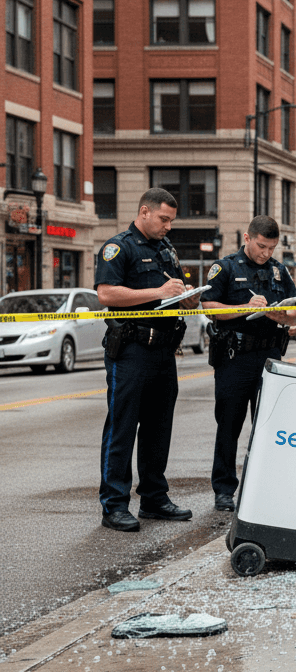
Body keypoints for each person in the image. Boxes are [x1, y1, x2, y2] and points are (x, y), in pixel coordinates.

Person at [94, 188, 198, 531]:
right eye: (164, 219)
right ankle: (114, 505)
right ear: (144, 212)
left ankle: (154, 498)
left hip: (164, 350)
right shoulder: (118, 247)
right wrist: (159, 292)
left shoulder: (166, 249)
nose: (168, 226)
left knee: (158, 427)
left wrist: (187, 297)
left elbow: (174, 290)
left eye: (171, 220)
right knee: (122, 427)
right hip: (132, 350)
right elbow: (106, 293)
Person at [201, 216, 296, 512]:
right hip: (235, 357)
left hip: (269, 357)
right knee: (229, 425)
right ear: (247, 238)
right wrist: (244, 308)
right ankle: (224, 490)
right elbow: (209, 307)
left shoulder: (279, 272)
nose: (265, 253)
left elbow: (294, 315)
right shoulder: (225, 267)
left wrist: (276, 314)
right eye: (261, 246)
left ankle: (263, 485)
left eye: (271, 248)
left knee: (268, 426)